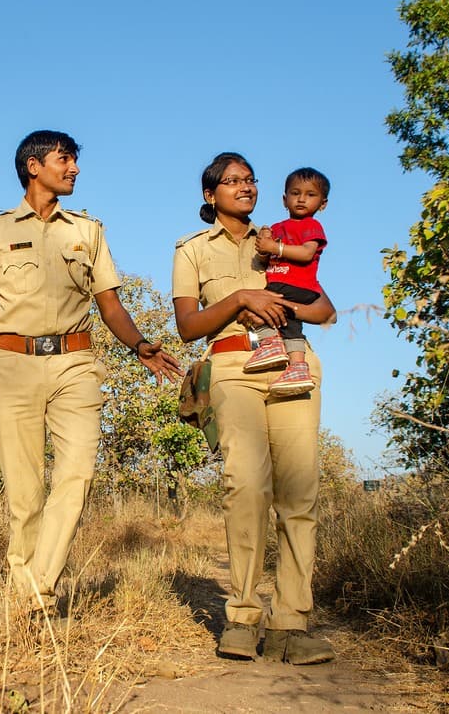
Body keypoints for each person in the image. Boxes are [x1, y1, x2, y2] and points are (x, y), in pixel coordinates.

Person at [0, 129, 182, 616]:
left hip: (76, 363)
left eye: (74, 160)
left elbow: (109, 302)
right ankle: (28, 594)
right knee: (24, 493)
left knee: (77, 473)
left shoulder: (87, 231)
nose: (74, 169)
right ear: (34, 166)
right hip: (13, 366)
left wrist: (139, 346)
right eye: (64, 159)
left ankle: (35, 589)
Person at [171, 152, 337, 665]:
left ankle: (292, 622)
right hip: (232, 367)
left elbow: (325, 310)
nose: (245, 187)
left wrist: (282, 306)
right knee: (245, 484)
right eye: (232, 181)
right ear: (210, 194)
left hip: (293, 363)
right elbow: (188, 326)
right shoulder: (192, 250)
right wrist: (242, 297)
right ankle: (242, 615)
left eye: (250, 180)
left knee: (299, 492)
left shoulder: (285, 235)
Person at [244, 167, 331, 397]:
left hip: (295, 284)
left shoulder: (311, 226)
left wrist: (276, 247)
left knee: (257, 307)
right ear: (285, 199)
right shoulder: (277, 227)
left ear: (323, 203)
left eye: (310, 195)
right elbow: (266, 257)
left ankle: (269, 344)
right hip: (284, 283)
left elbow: (306, 253)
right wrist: (264, 245)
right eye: (295, 193)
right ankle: (298, 366)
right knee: (291, 327)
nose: (302, 199)